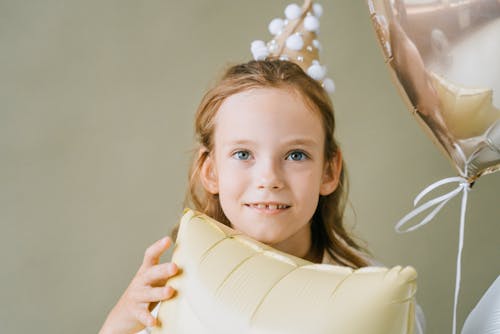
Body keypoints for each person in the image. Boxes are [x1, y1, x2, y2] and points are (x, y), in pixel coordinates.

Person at [99, 59, 379, 334]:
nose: (269, 178)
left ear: (329, 170)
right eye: (243, 154)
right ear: (210, 171)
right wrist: (118, 324)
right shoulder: (175, 294)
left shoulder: (371, 296)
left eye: (296, 155)